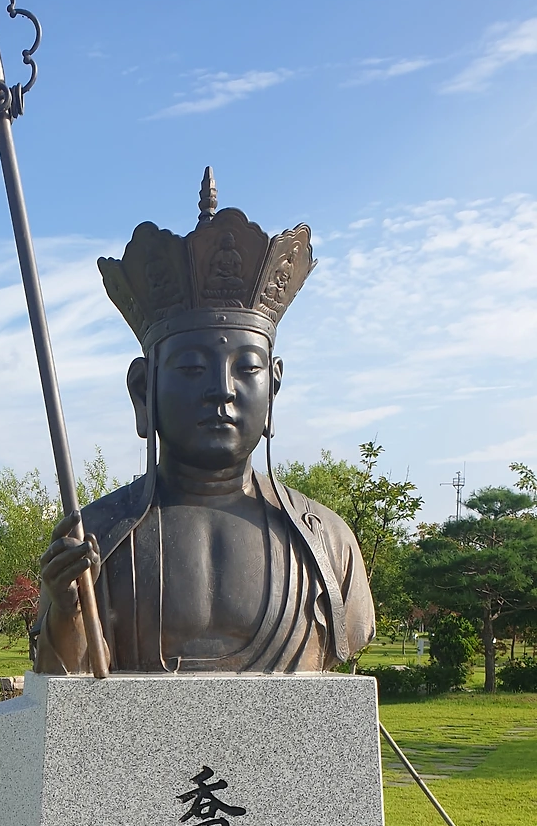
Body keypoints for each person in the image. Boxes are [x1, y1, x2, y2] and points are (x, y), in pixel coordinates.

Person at [31, 171, 375, 674]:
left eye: (247, 368)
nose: (222, 389)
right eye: (192, 368)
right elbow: (66, 694)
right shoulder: (97, 539)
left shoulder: (327, 545)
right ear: (143, 390)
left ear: (274, 387)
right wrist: (69, 613)